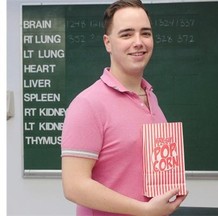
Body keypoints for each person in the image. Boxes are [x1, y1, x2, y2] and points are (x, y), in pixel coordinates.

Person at [61, 0, 188, 215]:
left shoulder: (151, 98)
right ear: (107, 42)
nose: (138, 42)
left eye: (145, 33)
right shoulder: (87, 104)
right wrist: (145, 210)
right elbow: (74, 186)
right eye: (127, 34)